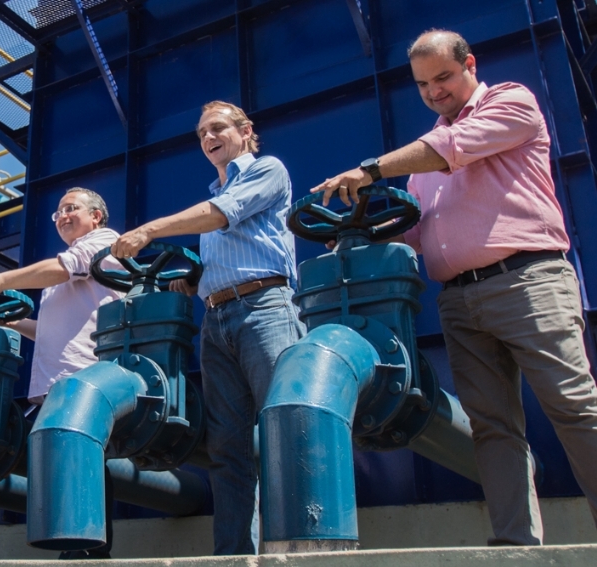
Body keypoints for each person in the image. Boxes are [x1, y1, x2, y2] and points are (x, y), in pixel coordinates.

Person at [313, 29, 597, 546]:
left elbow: (453, 147)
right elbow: (419, 229)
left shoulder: (510, 103)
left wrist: (371, 170)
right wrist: (352, 237)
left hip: (527, 282)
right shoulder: (422, 172)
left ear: (470, 64)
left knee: (573, 406)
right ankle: (515, 542)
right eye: (423, 84)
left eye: (443, 76)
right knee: (492, 427)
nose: (434, 91)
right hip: (461, 301)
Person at [111, 101, 305, 555]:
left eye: (217, 128)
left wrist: (149, 230)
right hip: (217, 320)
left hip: (265, 310)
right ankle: (235, 556)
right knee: (228, 450)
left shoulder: (266, 170)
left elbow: (223, 214)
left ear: (245, 130)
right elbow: (234, 242)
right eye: (201, 133)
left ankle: (298, 551)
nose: (208, 138)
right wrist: (195, 280)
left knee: (285, 429)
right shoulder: (214, 190)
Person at [0, 187, 123, 558]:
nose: (62, 216)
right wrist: (16, 321)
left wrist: (1, 281)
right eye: (58, 212)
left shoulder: (104, 241)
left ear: (96, 216)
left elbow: (61, 268)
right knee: (71, 460)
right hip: (59, 382)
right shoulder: (66, 267)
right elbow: (50, 330)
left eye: (72, 208)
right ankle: (76, 548)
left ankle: (92, 551)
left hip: (86, 376)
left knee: (84, 458)